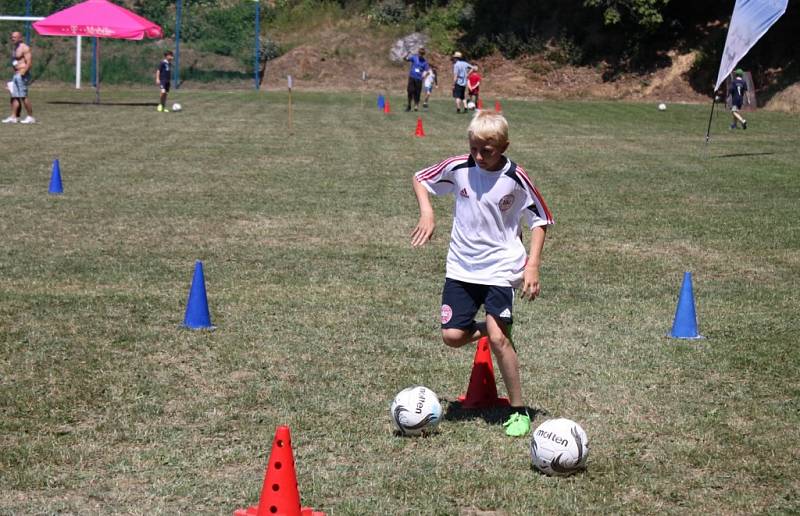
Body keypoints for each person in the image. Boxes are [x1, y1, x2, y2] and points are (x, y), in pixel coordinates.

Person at [411, 110, 553, 437]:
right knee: (452, 337)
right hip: (461, 266)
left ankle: (518, 410)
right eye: (473, 147)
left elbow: (541, 219)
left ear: (504, 146)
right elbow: (419, 178)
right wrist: (428, 212)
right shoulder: (459, 167)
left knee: (500, 338)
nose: (478, 156)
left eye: (486, 151)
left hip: (501, 267)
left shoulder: (517, 177)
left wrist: (532, 264)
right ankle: (491, 326)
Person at [3, 31, 34, 124]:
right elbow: (15, 61)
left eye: (15, 37)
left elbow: (29, 62)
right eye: (12, 37)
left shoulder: (24, 47)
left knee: (23, 96)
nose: (13, 38)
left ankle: (30, 117)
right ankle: (14, 117)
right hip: (16, 74)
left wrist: (23, 73)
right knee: (14, 96)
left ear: (20, 38)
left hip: (22, 74)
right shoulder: (15, 48)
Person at [404, 47, 429, 112]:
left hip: (419, 79)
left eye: (422, 54)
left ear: (423, 54)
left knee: (417, 93)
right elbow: (405, 59)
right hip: (412, 77)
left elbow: (426, 70)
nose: (421, 55)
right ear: (418, 53)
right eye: (420, 53)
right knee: (410, 91)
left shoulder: (425, 62)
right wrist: (407, 54)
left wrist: (424, 75)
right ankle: (409, 105)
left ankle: (416, 106)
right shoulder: (414, 58)